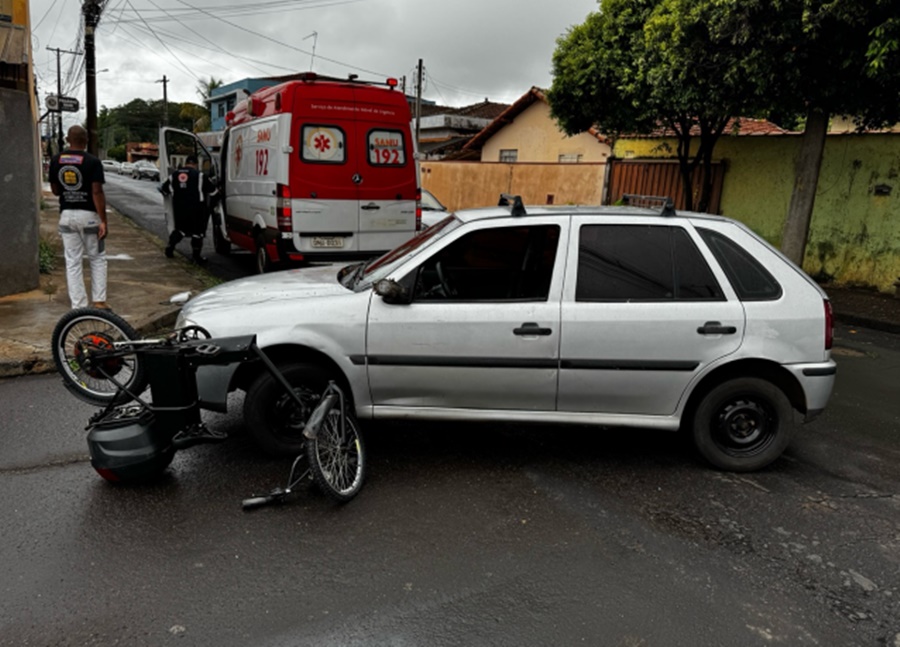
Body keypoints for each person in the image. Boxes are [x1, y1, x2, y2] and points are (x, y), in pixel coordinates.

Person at [49, 125, 109, 310]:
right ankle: (99, 301)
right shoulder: (93, 161)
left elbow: (55, 190)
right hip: (89, 217)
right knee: (97, 258)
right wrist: (103, 221)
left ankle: (79, 306)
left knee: (73, 261)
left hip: (66, 216)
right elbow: (97, 192)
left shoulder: (56, 160)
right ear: (86, 141)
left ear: (68, 139)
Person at [159, 155, 217, 264]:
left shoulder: (174, 175)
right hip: (197, 210)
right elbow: (213, 192)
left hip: (180, 209)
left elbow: (164, 190)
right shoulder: (200, 176)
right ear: (195, 164)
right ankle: (196, 257)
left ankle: (170, 247)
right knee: (197, 233)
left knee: (180, 230)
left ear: (186, 163)